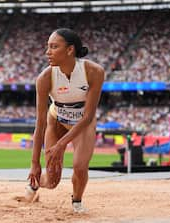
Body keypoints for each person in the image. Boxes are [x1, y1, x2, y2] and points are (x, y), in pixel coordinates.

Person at [25, 28, 105, 213]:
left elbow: (88, 117)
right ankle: (36, 184)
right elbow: (40, 124)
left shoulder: (94, 72)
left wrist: (62, 144)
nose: (47, 52)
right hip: (56, 121)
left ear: (70, 50)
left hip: (83, 123)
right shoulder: (44, 78)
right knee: (52, 181)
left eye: (53, 47)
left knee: (79, 166)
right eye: (48, 47)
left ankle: (76, 201)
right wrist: (34, 163)